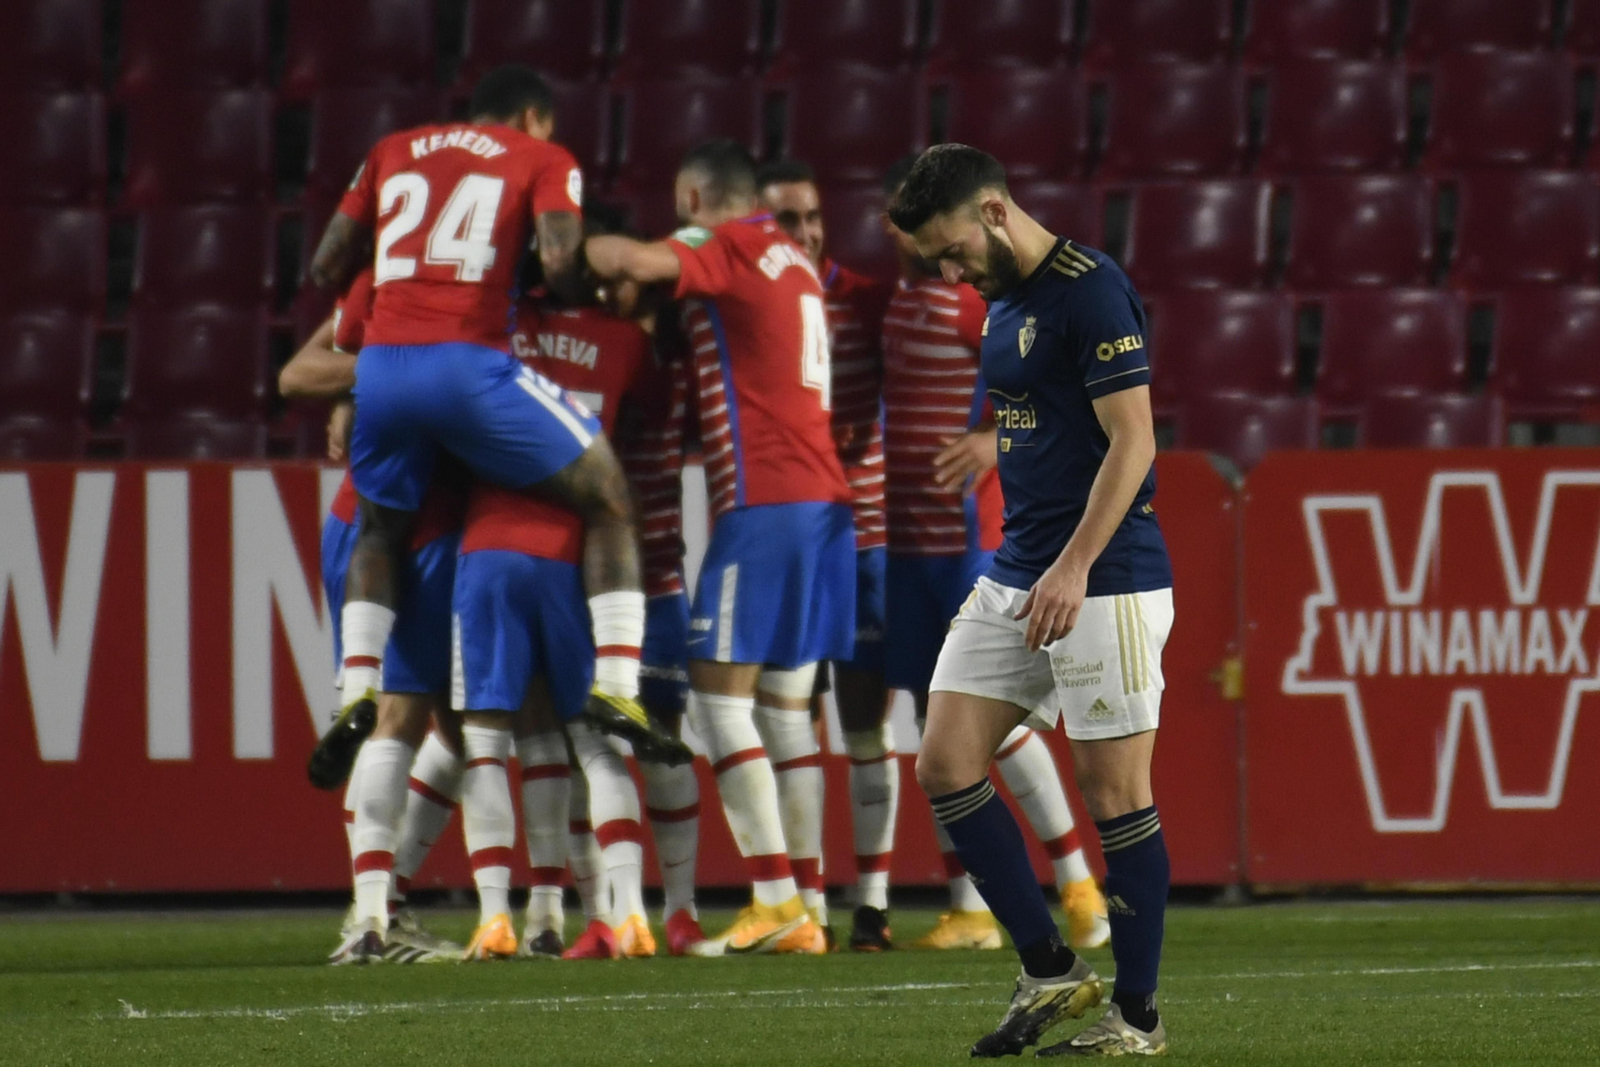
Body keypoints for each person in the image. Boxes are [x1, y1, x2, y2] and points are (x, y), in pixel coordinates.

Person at [307, 64, 679, 793]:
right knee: (606, 493)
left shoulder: (392, 147)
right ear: (535, 118)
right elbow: (566, 257)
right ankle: (614, 680)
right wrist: (562, 289)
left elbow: (327, 262)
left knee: (383, 525)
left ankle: (353, 685)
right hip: (469, 362)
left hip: (380, 368)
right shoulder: (543, 158)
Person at [889, 144, 1173, 1057]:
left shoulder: (1090, 289)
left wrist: (1076, 564)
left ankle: (1136, 1019)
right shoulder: (999, 296)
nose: (949, 270)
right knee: (944, 760)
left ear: (997, 211)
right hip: (1018, 570)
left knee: (1114, 792)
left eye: (953, 249)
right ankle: (1050, 970)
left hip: (1107, 575)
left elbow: (1134, 443)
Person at [585, 140, 856, 956]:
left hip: (767, 502)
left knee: (715, 700)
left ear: (699, 197)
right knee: (782, 706)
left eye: (681, 207)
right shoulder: (797, 261)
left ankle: (776, 901)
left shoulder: (731, 242)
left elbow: (629, 255)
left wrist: (563, 239)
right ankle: (803, 899)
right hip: (821, 499)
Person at [877, 156, 1110, 956]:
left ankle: (1077, 880)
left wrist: (986, 436)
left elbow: (1041, 379)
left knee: (992, 725)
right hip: (906, 536)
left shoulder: (975, 299)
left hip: (972, 534)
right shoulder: (901, 298)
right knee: (936, 722)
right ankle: (971, 906)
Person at [278, 268, 463, 965]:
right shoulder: (397, 279)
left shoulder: (395, 275)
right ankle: (373, 916)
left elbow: (310, 371)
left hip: (381, 521)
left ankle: (383, 903)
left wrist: (367, 385)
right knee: (402, 718)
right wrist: (378, 377)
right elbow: (301, 373)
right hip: (398, 531)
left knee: (460, 730)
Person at [756, 160, 896, 952]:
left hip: (868, 537)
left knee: (866, 724)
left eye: (811, 217)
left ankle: (870, 908)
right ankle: (803, 902)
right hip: (793, 536)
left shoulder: (867, 301)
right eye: (786, 222)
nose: (804, 234)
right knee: (789, 719)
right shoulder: (752, 304)